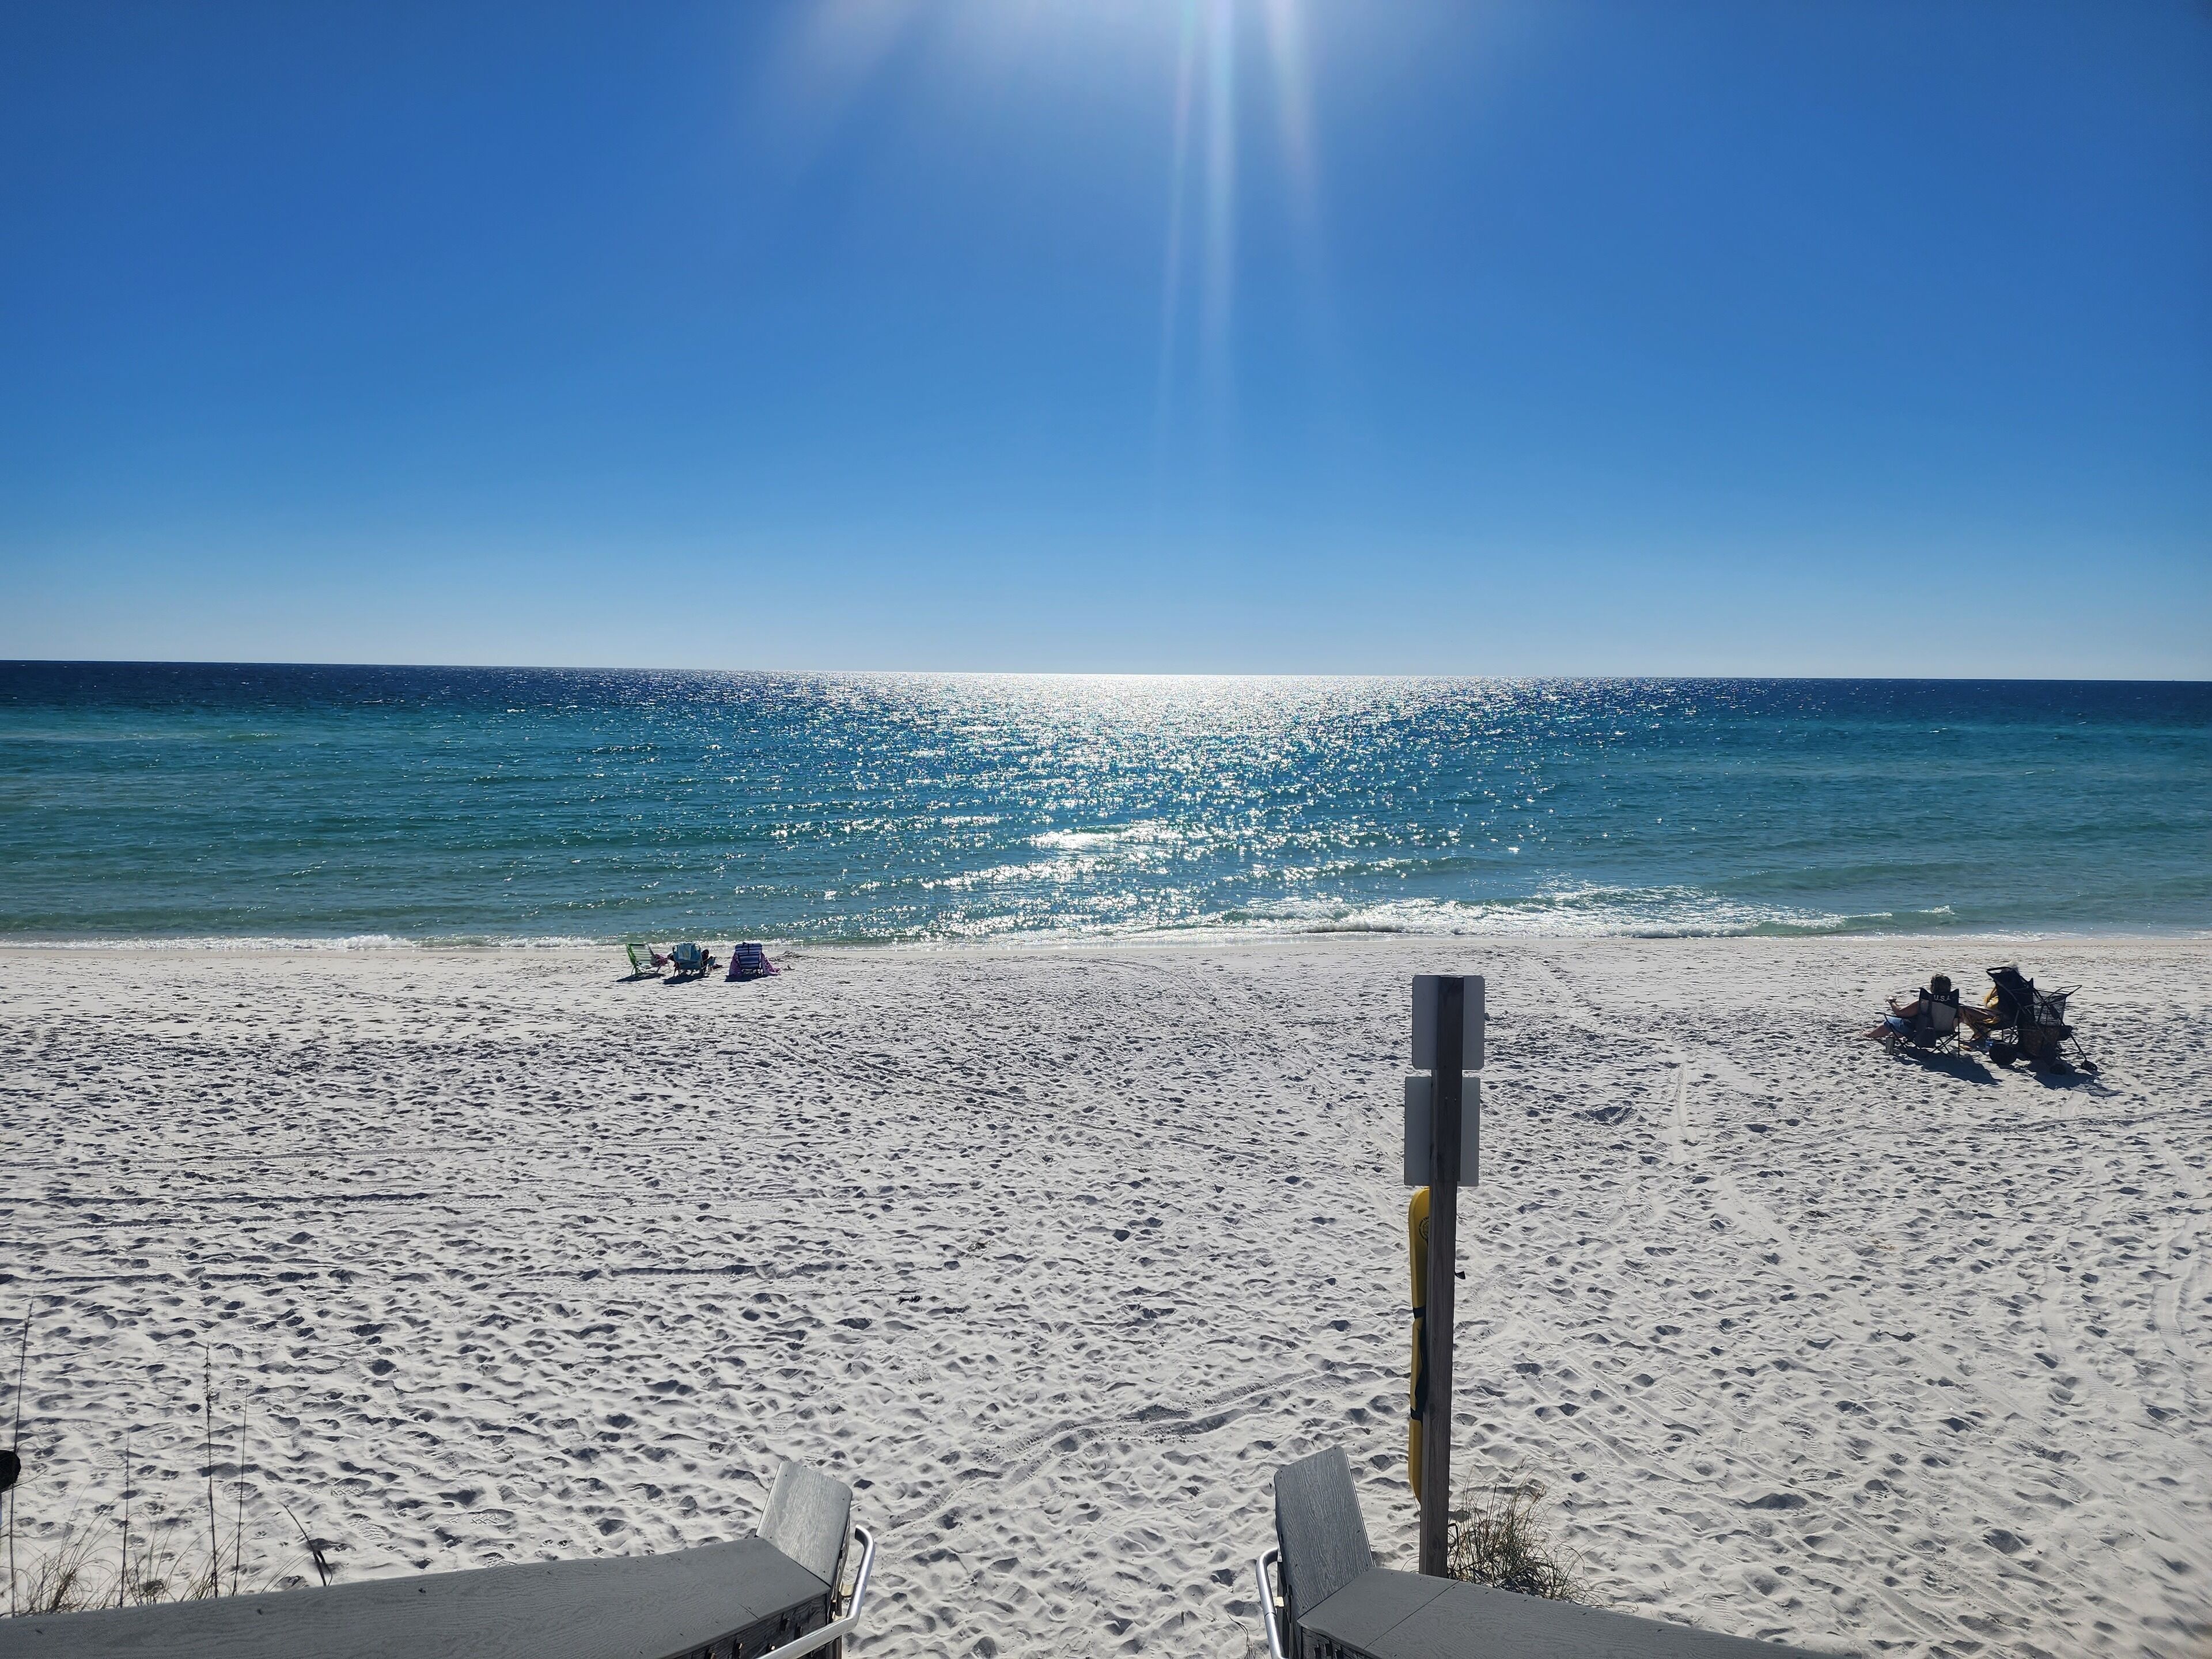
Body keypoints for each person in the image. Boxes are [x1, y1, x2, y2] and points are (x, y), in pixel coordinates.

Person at [1865, 973, 1961, 1041]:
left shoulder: (1925, 1002)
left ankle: (1870, 1035)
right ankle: (1898, 1034)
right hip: (1946, 1032)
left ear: (1933, 987)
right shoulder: (1954, 1003)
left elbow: (1900, 1012)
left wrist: (1892, 1002)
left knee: (1890, 1022)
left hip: (1923, 1032)